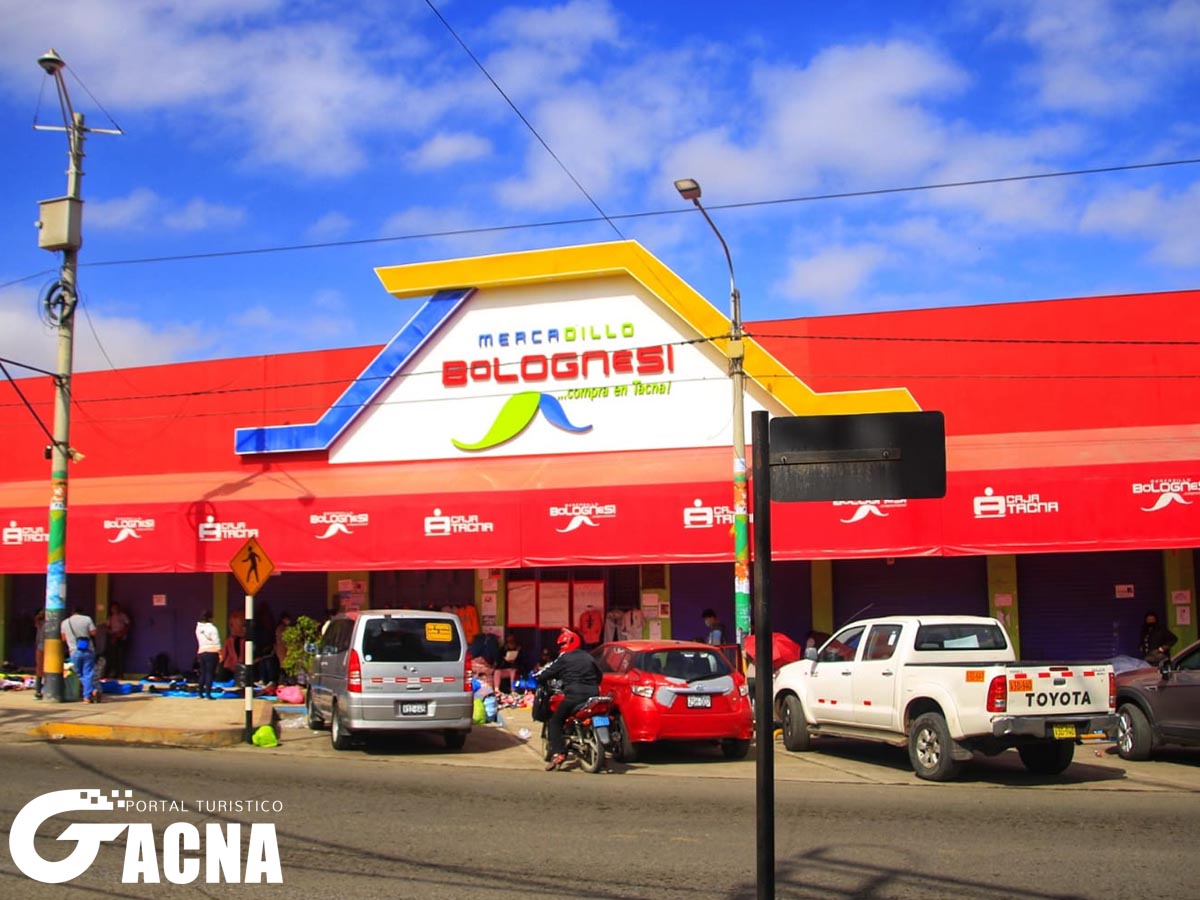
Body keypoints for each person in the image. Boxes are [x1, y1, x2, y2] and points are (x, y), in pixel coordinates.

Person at [538, 628, 603, 771]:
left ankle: (560, 752)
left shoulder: (564, 658)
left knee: (555, 721)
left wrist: (539, 677)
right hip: (593, 694)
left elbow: (547, 673)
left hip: (574, 695)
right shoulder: (589, 657)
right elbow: (599, 676)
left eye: (562, 644)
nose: (561, 648)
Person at [61, 605, 99, 703]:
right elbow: (94, 633)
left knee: (78, 674)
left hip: (74, 651)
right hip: (88, 650)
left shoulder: (65, 622)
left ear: (72, 612)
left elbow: (63, 638)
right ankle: (89, 694)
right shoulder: (87, 619)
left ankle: (90, 693)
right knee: (88, 673)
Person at [196, 610, 221, 700]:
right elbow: (216, 641)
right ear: (210, 618)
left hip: (201, 651)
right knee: (210, 673)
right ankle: (208, 694)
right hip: (212, 652)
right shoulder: (212, 628)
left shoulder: (198, 628)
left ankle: (199, 693)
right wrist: (220, 653)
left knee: (203, 673)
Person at [104, 601, 132, 679]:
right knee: (113, 656)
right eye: (113, 608)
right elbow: (107, 627)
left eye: (116, 608)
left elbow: (128, 625)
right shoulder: (110, 617)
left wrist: (122, 633)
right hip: (113, 637)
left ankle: (120, 674)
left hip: (122, 637)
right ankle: (113, 673)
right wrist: (111, 634)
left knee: (121, 656)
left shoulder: (123, 616)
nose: (114, 609)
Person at [33, 610, 46, 699]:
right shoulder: (40, 624)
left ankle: (39, 690)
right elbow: (36, 621)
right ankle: (38, 690)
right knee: (40, 669)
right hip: (42, 648)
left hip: (43, 648)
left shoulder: (43, 624)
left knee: (41, 669)